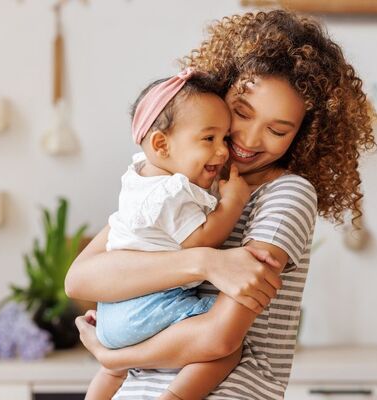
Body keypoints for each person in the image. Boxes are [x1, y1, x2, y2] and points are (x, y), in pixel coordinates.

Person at [66, 9, 375, 399]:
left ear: (304, 135)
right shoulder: (186, 181)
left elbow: (218, 338)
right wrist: (206, 262)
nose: (249, 138)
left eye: (277, 130)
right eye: (241, 113)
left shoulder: (287, 194)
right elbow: (81, 278)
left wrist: (114, 358)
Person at [87, 69, 256, 399]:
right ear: (161, 144)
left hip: (112, 312)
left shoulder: (139, 177)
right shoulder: (171, 193)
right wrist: (233, 202)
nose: (223, 151)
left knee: (113, 369)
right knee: (225, 340)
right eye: (209, 139)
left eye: (225, 139)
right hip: (147, 307)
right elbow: (202, 240)